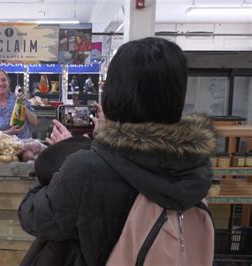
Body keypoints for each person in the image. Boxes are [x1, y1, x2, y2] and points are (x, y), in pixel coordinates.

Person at [18, 37, 217, 265]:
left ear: (115, 91)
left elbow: (32, 216)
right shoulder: (194, 165)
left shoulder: (85, 168)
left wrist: (58, 157)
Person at [0, 69, 38, 139]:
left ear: (8, 82)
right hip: (1, 148)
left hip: (25, 147)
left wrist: (23, 107)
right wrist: (9, 132)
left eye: (4, 80)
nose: (1, 83)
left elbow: (34, 122)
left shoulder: (19, 99)